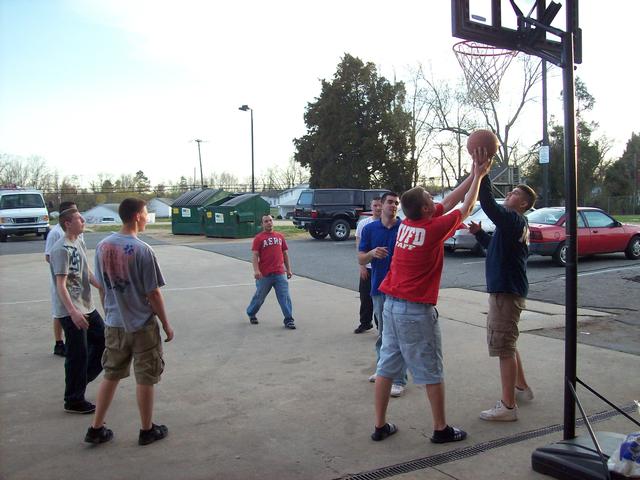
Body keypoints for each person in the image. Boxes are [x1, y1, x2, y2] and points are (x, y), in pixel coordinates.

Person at [371, 153, 491, 444]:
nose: (434, 199)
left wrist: (475, 172)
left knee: (386, 366)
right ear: (426, 208)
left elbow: (449, 201)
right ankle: (440, 429)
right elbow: (466, 207)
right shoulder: (433, 228)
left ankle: (380, 426)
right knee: (431, 369)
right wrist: (481, 176)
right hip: (415, 312)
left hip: (391, 306)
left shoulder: (409, 224)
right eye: (429, 197)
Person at [85, 198, 174, 445]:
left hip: (114, 324)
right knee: (145, 377)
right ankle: (147, 430)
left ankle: (96, 427)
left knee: (111, 374)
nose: (147, 217)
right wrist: (166, 324)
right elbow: (153, 293)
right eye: (145, 213)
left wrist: (110, 312)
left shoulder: (102, 247)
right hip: (142, 325)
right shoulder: (143, 250)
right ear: (136, 216)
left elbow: (103, 287)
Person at [469, 177, 537, 422]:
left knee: (504, 348)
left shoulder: (512, 218)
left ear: (524, 204)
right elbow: (494, 247)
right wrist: (479, 234)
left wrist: (483, 171)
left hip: (506, 293)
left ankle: (508, 407)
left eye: (517, 193)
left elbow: (487, 202)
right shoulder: (514, 223)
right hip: (508, 291)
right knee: (508, 341)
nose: (510, 194)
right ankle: (521, 387)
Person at [48, 206, 105, 414]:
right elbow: (60, 285)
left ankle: (81, 380)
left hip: (87, 306)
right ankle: (73, 399)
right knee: (77, 354)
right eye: (79, 219)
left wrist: (100, 285)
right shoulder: (60, 249)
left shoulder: (79, 242)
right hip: (71, 311)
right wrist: (73, 312)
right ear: (67, 223)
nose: (83, 221)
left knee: (104, 341)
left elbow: (85, 270)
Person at [358, 192, 407, 396]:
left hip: (400, 290)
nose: (393, 206)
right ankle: (383, 371)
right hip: (378, 288)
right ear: (381, 205)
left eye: (397, 203)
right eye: (390, 202)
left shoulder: (405, 227)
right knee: (383, 334)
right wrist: (372, 253)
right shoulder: (369, 229)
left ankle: (399, 380)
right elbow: (361, 259)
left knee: (397, 336)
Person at [246, 214, 296, 329]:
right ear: (262, 224)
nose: (269, 223)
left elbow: (285, 254)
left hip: (279, 273)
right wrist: (256, 270)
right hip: (265, 275)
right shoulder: (259, 238)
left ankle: (288, 319)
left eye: (270, 220)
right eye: (266, 221)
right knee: (259, 297)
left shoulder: (280, 236)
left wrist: (288, 270)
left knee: (285, 297)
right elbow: (255, 255)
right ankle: (251, 313)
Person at [45, 200, 81, 356]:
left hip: (76, 285)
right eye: (75, 211)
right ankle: (59, 343)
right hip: (62, 280)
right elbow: (49, 256)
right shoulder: (55, 234)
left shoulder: (78, 234)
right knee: (59, 313)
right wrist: (65, 268)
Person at [354, 197, 383, 334]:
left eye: (380, 205)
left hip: (381, 269)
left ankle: (380, 326)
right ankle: (365, 323)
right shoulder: (363, 224)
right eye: (375, 205)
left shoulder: (388, 224)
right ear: (371, 207)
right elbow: (359, 246)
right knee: (365, 297)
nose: (378, 208)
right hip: (367, 267)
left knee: (380, 298)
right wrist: (362, 266)